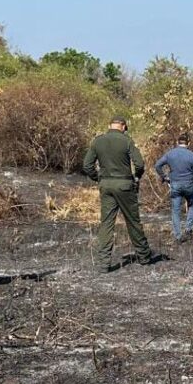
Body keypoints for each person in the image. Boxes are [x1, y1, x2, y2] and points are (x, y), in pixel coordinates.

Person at [82, 116, 156, 272]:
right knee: (132, 221)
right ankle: (144, 256)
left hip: (106, 185)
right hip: (124, 185)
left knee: (106, 223)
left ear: (110, 125)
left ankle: (103, 263)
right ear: (123, 126)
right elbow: (140, 164)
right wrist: (136, 176)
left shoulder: (98, 141)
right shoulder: (126, 141)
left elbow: (87, 165)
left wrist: (98, 178)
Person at [155, 133, 193, 242]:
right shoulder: (192, 155)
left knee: (176, 210)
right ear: (188, 143)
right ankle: (188, 228)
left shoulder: (170, 154)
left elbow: (157, 165)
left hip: (175, 184)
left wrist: (164, 177)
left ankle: (178, 236)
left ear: (177, 143)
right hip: (189, 184)